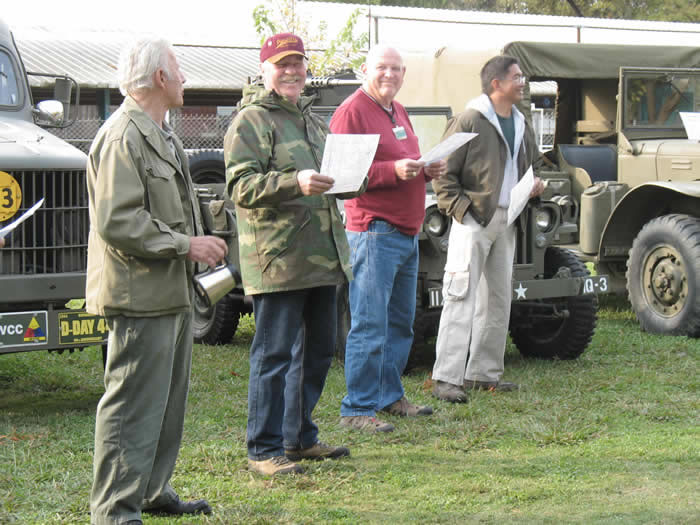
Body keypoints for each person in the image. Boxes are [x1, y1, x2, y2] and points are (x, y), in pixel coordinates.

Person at [86, 37, 227, 524]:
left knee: (165, 403)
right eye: (178, 68)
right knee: (131, 405)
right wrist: (186, 245)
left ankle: (150, 491)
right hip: (138, 295)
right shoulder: (122, 137)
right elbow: (118, 221)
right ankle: (115, 511)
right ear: (160, 77)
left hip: (169, 292)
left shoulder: (162, 135)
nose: (185, 78)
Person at [224, 33, 361, 476]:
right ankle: (263, 449)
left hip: (321, 256)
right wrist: (294, 182)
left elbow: (331, 179)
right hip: (279, 260)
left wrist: (350, 177)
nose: (291, 71)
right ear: (264, 70)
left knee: (318, 352)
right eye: (281, 64)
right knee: (274, 356)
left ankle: (298, 437)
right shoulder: (251, 121)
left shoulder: (313, 122)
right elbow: (240, 186)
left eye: (297, 63)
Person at [329, 46, 447, 433]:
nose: (389, 75)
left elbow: (403, 162)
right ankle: (356, 409)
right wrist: (393, 171)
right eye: (382, 67)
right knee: (369, 324)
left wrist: (426, 170)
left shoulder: (397, 110)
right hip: (374, 231)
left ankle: (388, 395)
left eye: (396, 69)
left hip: (406, 232)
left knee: (399, 323)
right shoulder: (352, 112)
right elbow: (342, 178)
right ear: (365, 69)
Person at [431, 55, 544, 404]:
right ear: (497, 84)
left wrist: (535, 186)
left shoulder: (521, 121)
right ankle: (446, 378)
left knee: (498, 298)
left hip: (508, 219)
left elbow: (532, 165)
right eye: (516, 77)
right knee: (460, 295)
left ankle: (483, 373)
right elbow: (442, 173)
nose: (522, 83)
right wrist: (463, 212)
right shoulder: (469, 119)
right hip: (473, 221)